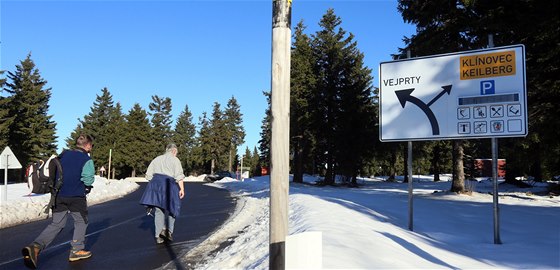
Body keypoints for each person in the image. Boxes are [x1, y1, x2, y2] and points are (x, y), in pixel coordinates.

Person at [22, 134, 95, 268]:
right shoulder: (86, 159)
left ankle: (35, 247)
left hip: (58, 196)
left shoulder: (63, 155)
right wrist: (86, 185)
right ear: (88, 145)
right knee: (81, 221)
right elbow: (88, 179)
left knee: (57, 224)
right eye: (91, 145)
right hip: (76, 197)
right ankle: (76, 250)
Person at [140, 143, 185, 244]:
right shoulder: (175, 160)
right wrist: (182, 189)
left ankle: (158, 236)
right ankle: (168, 231)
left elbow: (148, 175)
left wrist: (155, 184)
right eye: (176, 152)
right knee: (173, 208)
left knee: (159, 211)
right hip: (169, 185)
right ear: (174, 151)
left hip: (156, 185)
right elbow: (179, 176)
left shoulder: (157, 159)